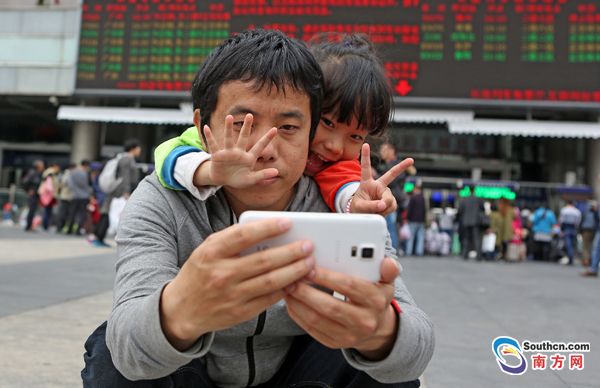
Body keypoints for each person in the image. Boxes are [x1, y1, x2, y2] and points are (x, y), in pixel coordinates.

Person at [81, 29, 434, 388]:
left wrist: (381, 334)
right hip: (190, 374)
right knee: (112, 348)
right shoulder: (162, 199)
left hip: (300, 377)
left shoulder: (347, 209)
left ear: (309, 129)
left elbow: (415, 346)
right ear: (203, 129)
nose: (265, 148)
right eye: (242, 125)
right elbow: (127, 350)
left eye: (288, 127)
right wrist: (178, 311)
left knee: (376, 358)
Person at [154, 33, 410, 219]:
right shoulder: (216, 141)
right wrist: (210, 171)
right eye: (328, 122)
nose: (334, 145)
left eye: (355, 136)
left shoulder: (335, 165)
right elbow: (170, 155)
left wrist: (358, 203)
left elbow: (346, 185)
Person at [89, 139, 141, 247]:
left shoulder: (124, 158)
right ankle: (97, 236)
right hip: (119, 192)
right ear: (133, 149)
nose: (139, 150)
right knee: (109, 213)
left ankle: (96, 236)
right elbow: (126, 177)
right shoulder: (127, 159)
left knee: (107, 212)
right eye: (138, 148)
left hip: (117, 191)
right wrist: (126, 192)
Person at [378, 142, 415, 253]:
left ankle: (392, 252)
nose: (381, 152)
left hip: (392, 200)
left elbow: (390, 183)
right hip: (392, 200)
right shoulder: (391, 165)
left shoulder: (395, 165)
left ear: (392, 150)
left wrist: (375, 176)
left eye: (384, 149)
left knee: (390, 228)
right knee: (390, 227)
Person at [65, 160, 94, 235]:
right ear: (86, 165)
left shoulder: (73, 171)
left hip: (75, 195)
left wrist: (73, 189)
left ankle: (69, 229)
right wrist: (90, 192)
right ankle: (78, 230)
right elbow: (88, 184)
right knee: (82, 213)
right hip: (84, 196)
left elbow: (68, 181)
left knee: (72, 213)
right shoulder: (86, 173)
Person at [457, 186, 484, 260]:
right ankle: (478, 256)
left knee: (466, 238)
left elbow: (460, 210)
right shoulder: (479, 199)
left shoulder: (464, 199)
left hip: (466, 221)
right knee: (477, 239)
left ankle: (465, 254)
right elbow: (482, 209)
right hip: (475, 221)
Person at [21, 160, 44, 232]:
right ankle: (28, 226)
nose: (43, 167)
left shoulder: (38, 174)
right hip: (33, 195)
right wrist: (29, 190)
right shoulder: (32, 173)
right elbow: (24, 182)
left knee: (33, 210)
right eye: (41, 166)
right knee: (31, 210)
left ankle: (29, 225)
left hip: (37, 194)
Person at [404, 183, 426, 256]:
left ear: (416, 189)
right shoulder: (423, 198)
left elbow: (409, 209)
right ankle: (419, 251)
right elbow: (424, 210)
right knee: (420, 236)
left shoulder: (413, 198)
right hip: (421, 220)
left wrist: (407, 218)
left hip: (413, 219)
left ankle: (408, 251)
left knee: (411, 236)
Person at [39, 161, 60, 231]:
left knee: (47, 210)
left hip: (47, 194)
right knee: (48, 211)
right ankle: (45, 225)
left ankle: (45, 225)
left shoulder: (48, 172)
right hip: (49, 194)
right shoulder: (51, 173)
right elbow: (49, 184)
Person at [559, 200, 582, 265]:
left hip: (566, 228)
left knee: (568, 244)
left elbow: (562, 221)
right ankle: (571, 257)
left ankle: (570, 257)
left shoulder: (564, 210)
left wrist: (562, 230)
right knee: (573, 244)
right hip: (574, 229)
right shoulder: (577, 211)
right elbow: (578, 222)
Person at [55, 163, 75, 233]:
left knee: (64, 212)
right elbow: (69, 185)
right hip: (65, 196)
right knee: (63, 212)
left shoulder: (67, 174)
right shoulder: (68, 174)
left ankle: (61, 226)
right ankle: (59, 226)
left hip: (66, 196)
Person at [579, 201, 599, 267]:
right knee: (593, 246)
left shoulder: (586, 212)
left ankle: (587, 259)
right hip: (594, 230)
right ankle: (591, 260)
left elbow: (582, 221)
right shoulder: (595, 212)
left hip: (586, 230)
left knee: (585, 245)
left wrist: (580, 230)